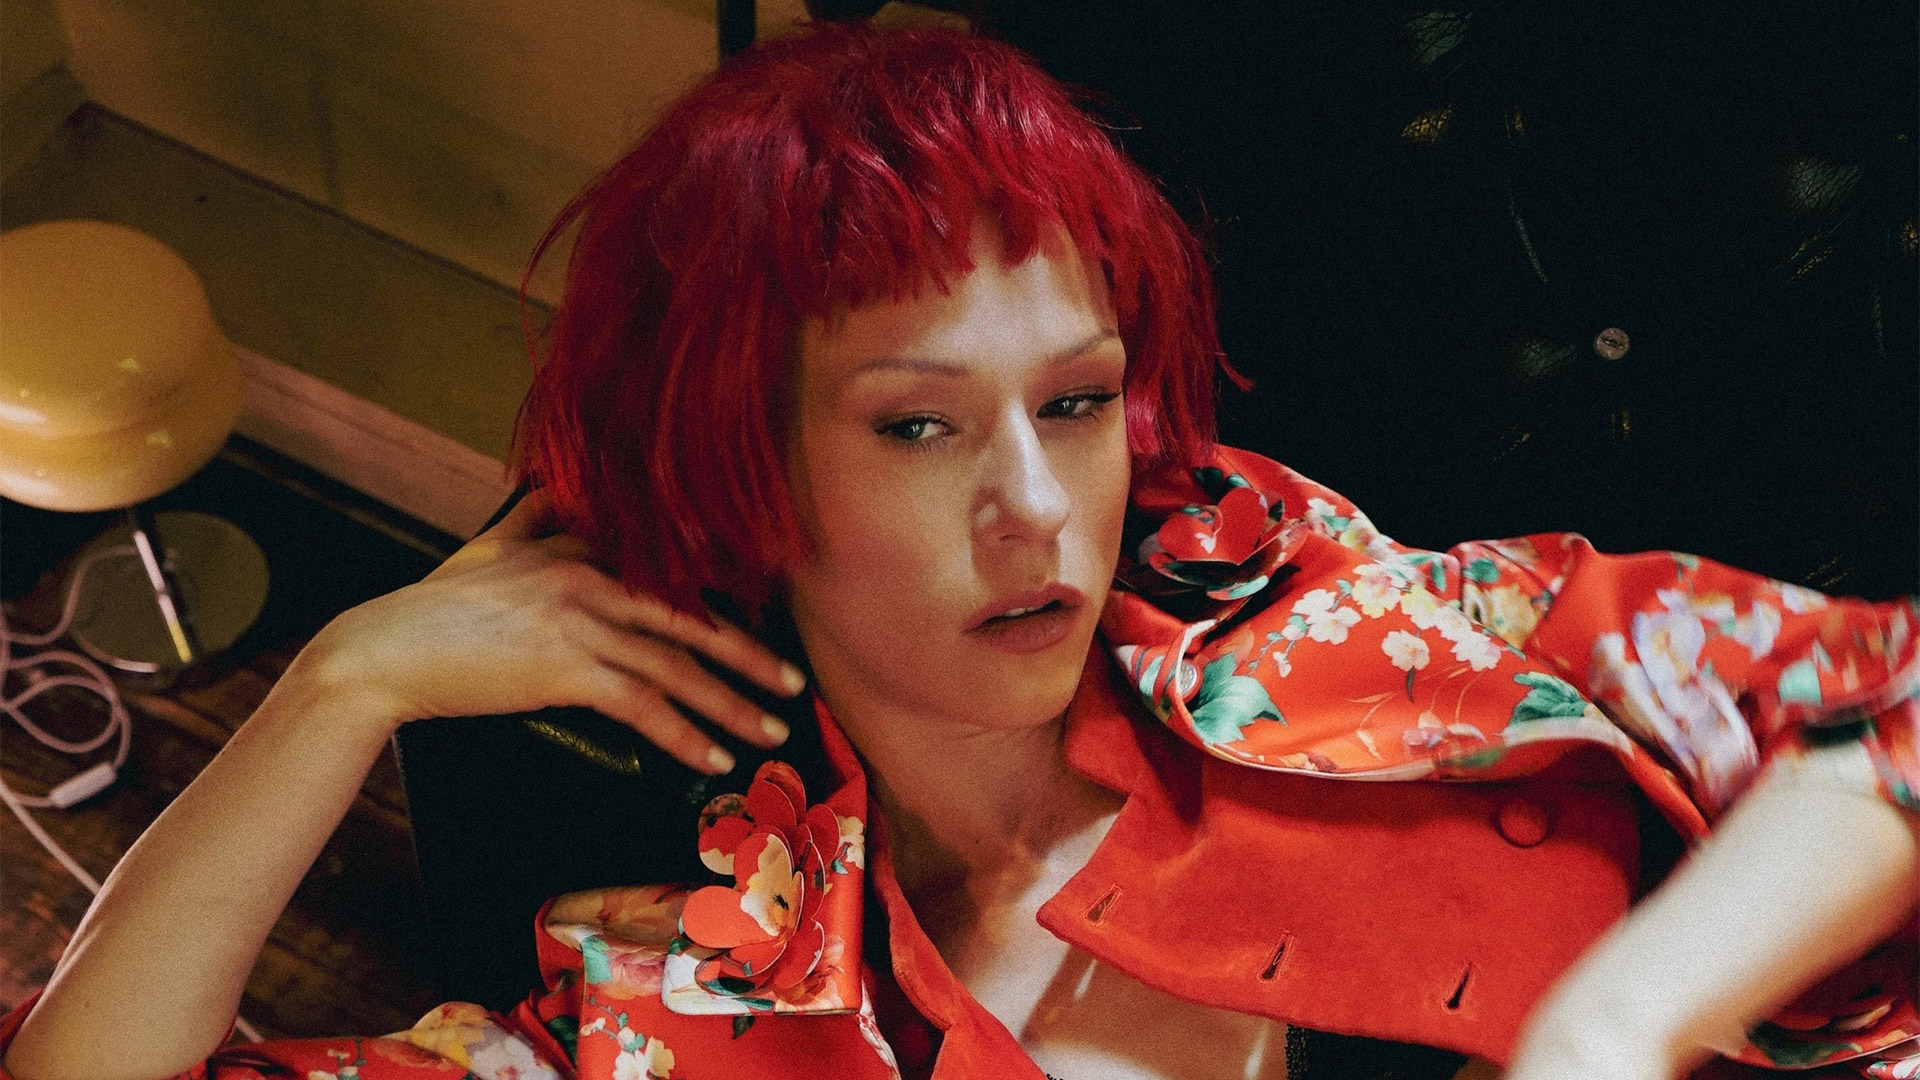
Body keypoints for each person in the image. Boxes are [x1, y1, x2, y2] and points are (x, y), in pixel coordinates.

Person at [5, 23, 1918, 1080]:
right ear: (746, 473)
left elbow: (1889, 702)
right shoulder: (702, 1009)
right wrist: (340, 682)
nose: (1035, 505)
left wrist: (1624, 1016)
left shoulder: (1345, 632)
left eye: (1075, 403)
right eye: (918, 425)